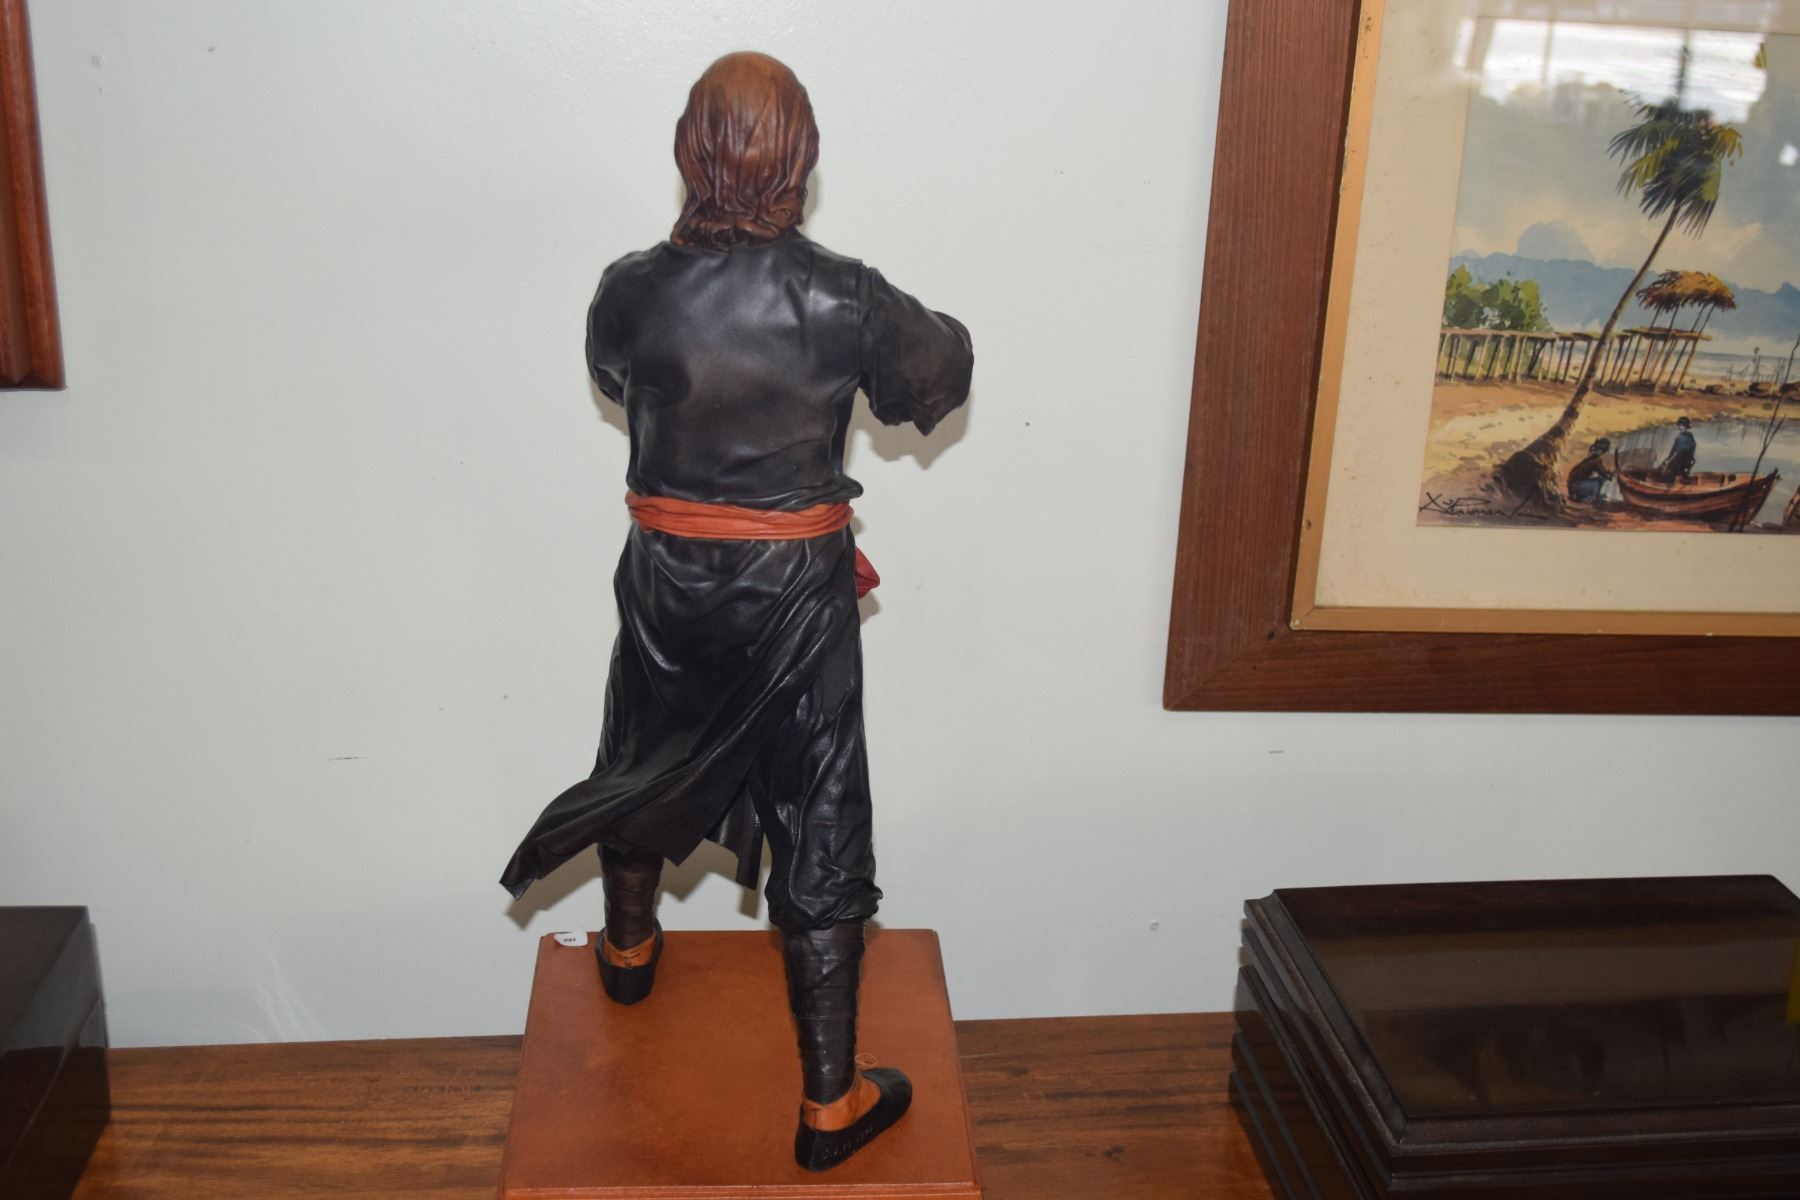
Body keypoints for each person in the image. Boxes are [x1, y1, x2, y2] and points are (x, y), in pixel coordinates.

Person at [498, 52, 972, 1171]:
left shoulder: (630, 288)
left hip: (668, 576)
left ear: (689, 148)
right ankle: (829, 1105)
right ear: (801, 155)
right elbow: (935, 380)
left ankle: (627, 954)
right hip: (795, 593)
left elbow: (615, 380)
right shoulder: (845, 296)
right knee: (820, 806)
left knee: (643, 746)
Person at [1566, 437, 1613, 504]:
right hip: (1575, 487)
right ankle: (1593, 499)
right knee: (1597, 481)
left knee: (1597, 480)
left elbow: (1602, 472)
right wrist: (1611, 475)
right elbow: (1605, 474)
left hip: (1573, 487)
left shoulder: (1589, 460)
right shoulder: (1596, 461)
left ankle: (1584, 497)